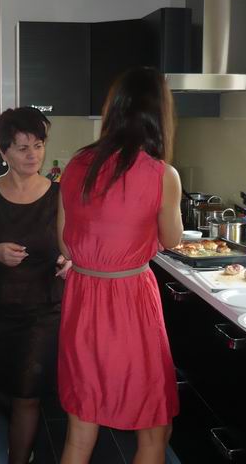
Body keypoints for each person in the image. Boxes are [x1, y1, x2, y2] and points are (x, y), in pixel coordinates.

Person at [56, 67, 183, 464]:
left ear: (113, 110)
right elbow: (172, 239)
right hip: (130, 303)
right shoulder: (162, 175)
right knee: (154, 429)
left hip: (82, 300)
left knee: (81, 430)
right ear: (159, 115)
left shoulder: (76, 165)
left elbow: (65, 241)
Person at [0, 106, 70, 464]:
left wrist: (70, 261)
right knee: (6, 386)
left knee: (27, 394)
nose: (33, 155)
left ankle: (19, 456)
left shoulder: (59, 195)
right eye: (22, 148)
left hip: (43, 310)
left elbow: (68, 247)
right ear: (3, 152)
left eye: (38, 145)